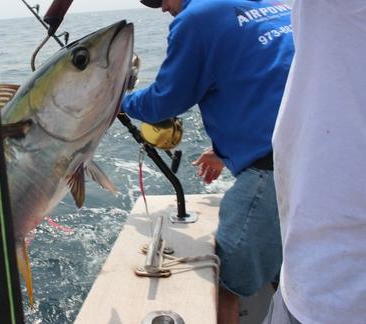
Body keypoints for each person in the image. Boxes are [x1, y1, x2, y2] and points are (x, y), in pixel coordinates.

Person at [121, 0, 294, 323]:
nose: (160, 8)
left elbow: (165, 100)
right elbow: (268, 79)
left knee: (222, 283)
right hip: (322, 160)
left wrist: (117, 100)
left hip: (275, 173)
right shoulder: (272, 3)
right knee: (291, 268)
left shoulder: (196, 19)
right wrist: (222, 152)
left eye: (158, 0)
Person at [263, 1, 366, 323]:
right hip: (327, 277)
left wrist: (127, 102)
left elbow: (171, 93)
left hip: (332, 290)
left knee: (231, 263)